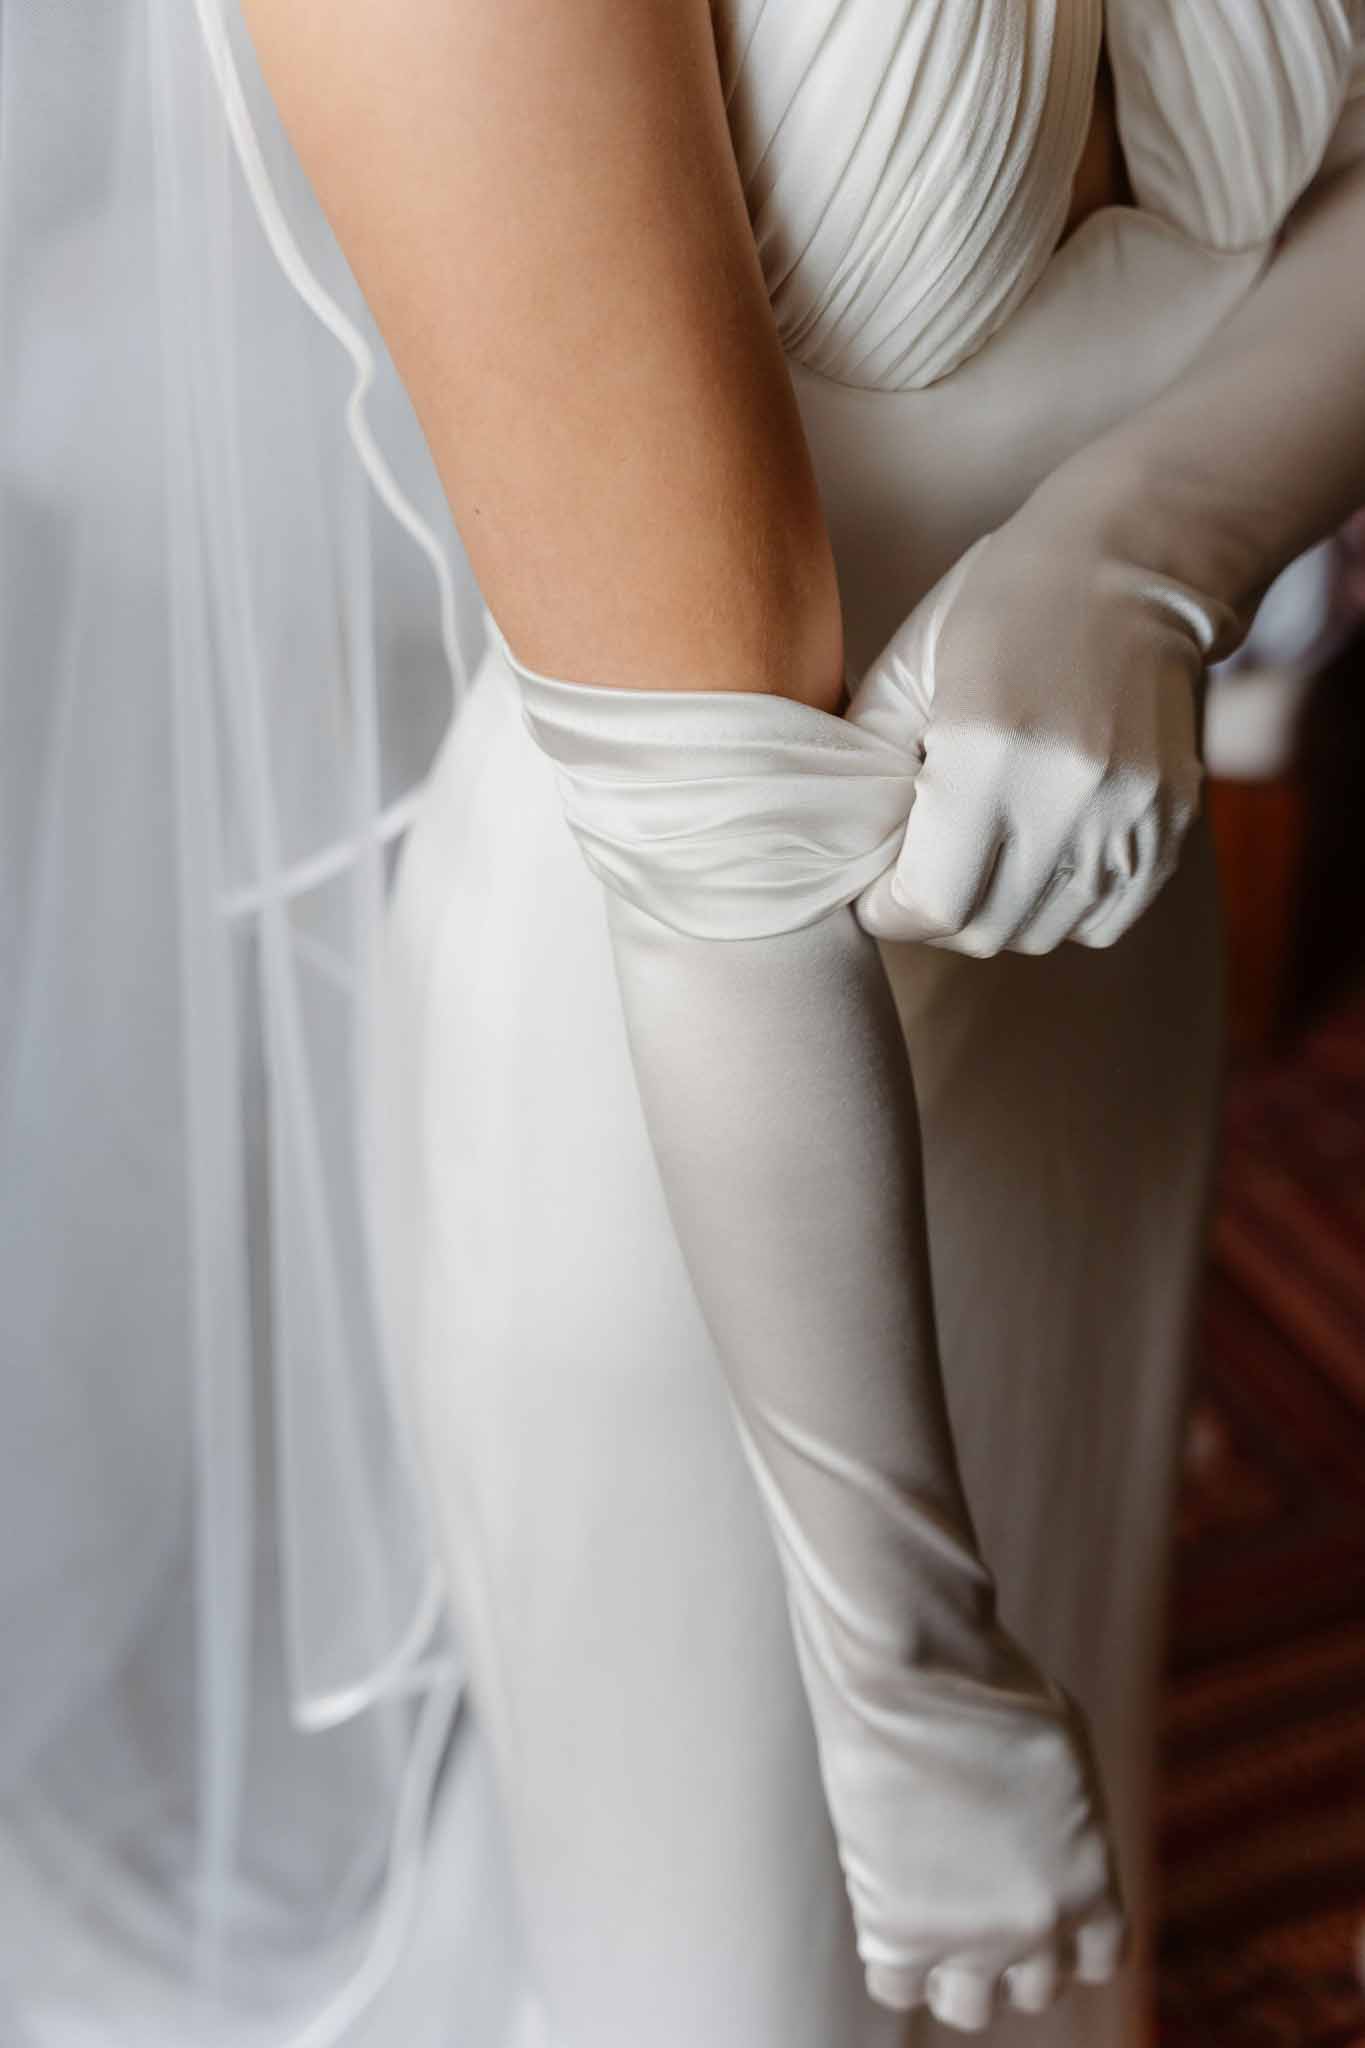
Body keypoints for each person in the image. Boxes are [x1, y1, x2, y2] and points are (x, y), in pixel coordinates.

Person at [233, 2, 1365, 2042]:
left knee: (1053, 1937)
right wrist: (906, 1667)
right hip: (688, 1096)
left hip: (1104, 964)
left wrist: (1143, 543)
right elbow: (713, 826)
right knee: (735, 1986)